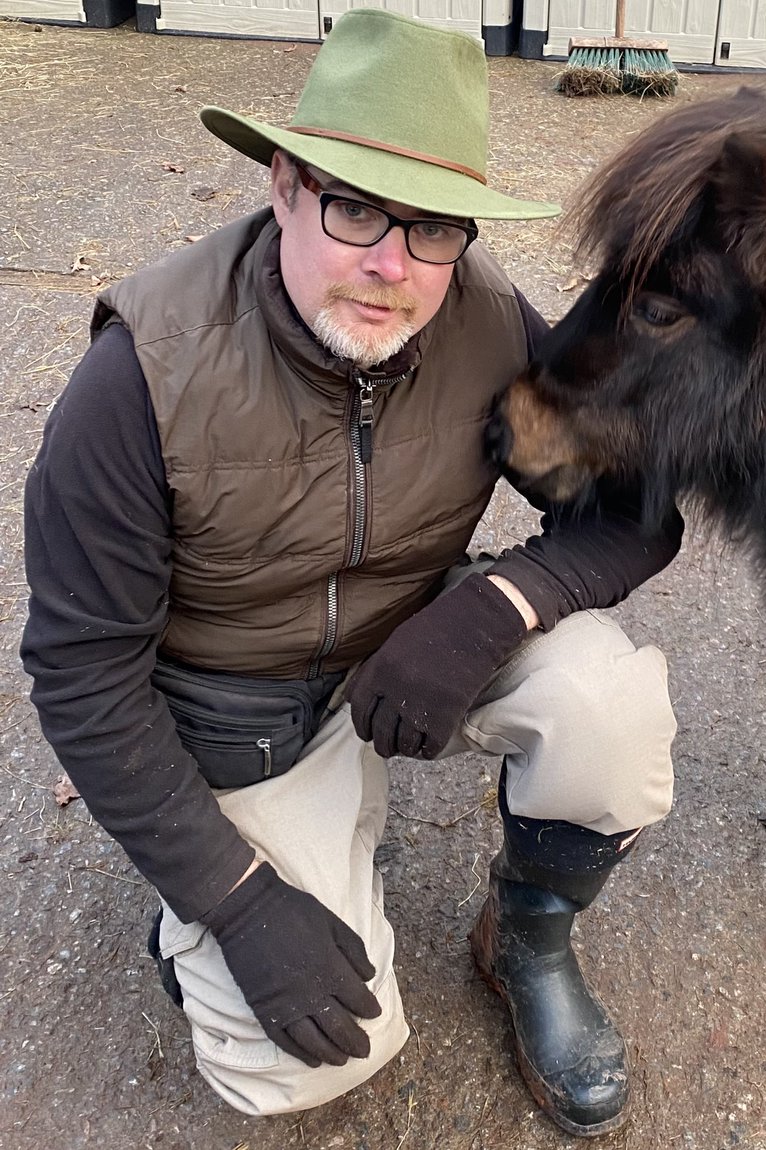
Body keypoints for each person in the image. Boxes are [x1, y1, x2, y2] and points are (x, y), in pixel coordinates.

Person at [20, 10, 680, 1137]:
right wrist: (235, 903)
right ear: (283, 183)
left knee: (611, 710)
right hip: (232, 714)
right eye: (357, 207)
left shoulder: (484, 323)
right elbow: (83, 678)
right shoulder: (139, 380)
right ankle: (204, 915)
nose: (392, 264)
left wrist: (490, 610)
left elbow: (639, 514)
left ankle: (525, 938)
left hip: (408, 647)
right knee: (313, 1062)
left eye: (433, 228)